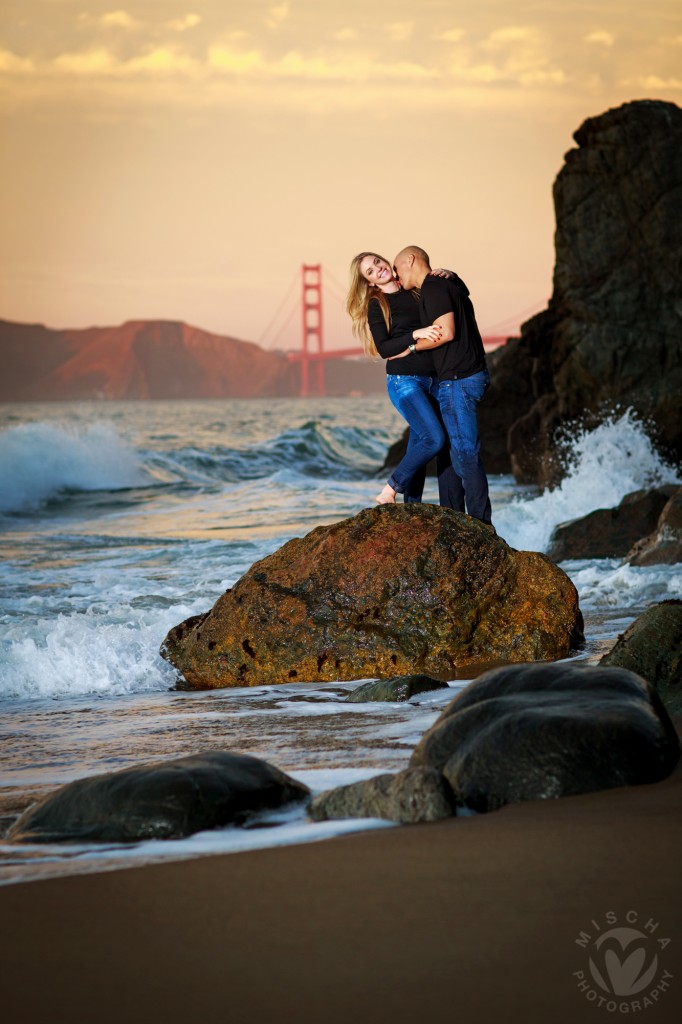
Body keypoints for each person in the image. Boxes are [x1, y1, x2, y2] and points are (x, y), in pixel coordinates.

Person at [347, 251, 465, 509]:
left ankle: (417, 509)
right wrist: (416, 333)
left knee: (426, 445)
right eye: (370, 271)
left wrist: (450, 278)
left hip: (435, 379)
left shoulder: (416, 290)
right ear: (370, 283)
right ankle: (390, 488)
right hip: (404, 382)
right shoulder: (377, 304)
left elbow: (451, 303)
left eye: (377, 262)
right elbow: (384, 349)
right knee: (434, 439)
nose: (378, 269)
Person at [392, 245, 492, 524]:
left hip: (459, 379)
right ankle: (455, 519)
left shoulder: (434, 287)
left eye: (397, 268)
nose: (397, 277)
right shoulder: (447, 284)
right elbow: (463, 296)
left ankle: (481, 527)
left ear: (410, 260)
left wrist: (410, 349)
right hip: (462, 377)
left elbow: (446, 332)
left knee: (465, 455)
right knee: (451, 454)